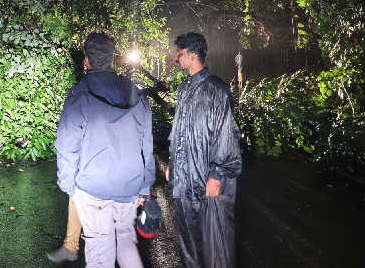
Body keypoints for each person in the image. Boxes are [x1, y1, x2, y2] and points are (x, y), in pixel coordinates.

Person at [55, 32, 155, 268]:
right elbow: (146, 145)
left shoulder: (79, 94)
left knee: (101, 249)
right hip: (129, 186)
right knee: (127, 243)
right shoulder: (135, 92)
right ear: (112, 59)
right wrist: (145, 186)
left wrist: (68, 184)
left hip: (93, 188)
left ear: (87, 60)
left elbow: (67, 145)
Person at [166, 32, 242, 268]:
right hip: (184, 179)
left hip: (207, 179)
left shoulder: (217, 89)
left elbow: (226, 133)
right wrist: (173, 162)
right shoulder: (183, 89)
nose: (175, 57)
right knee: (188, 241)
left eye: (179, 52)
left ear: (193, 54)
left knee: (214, 245)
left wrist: (217, 174)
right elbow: (179, 131)